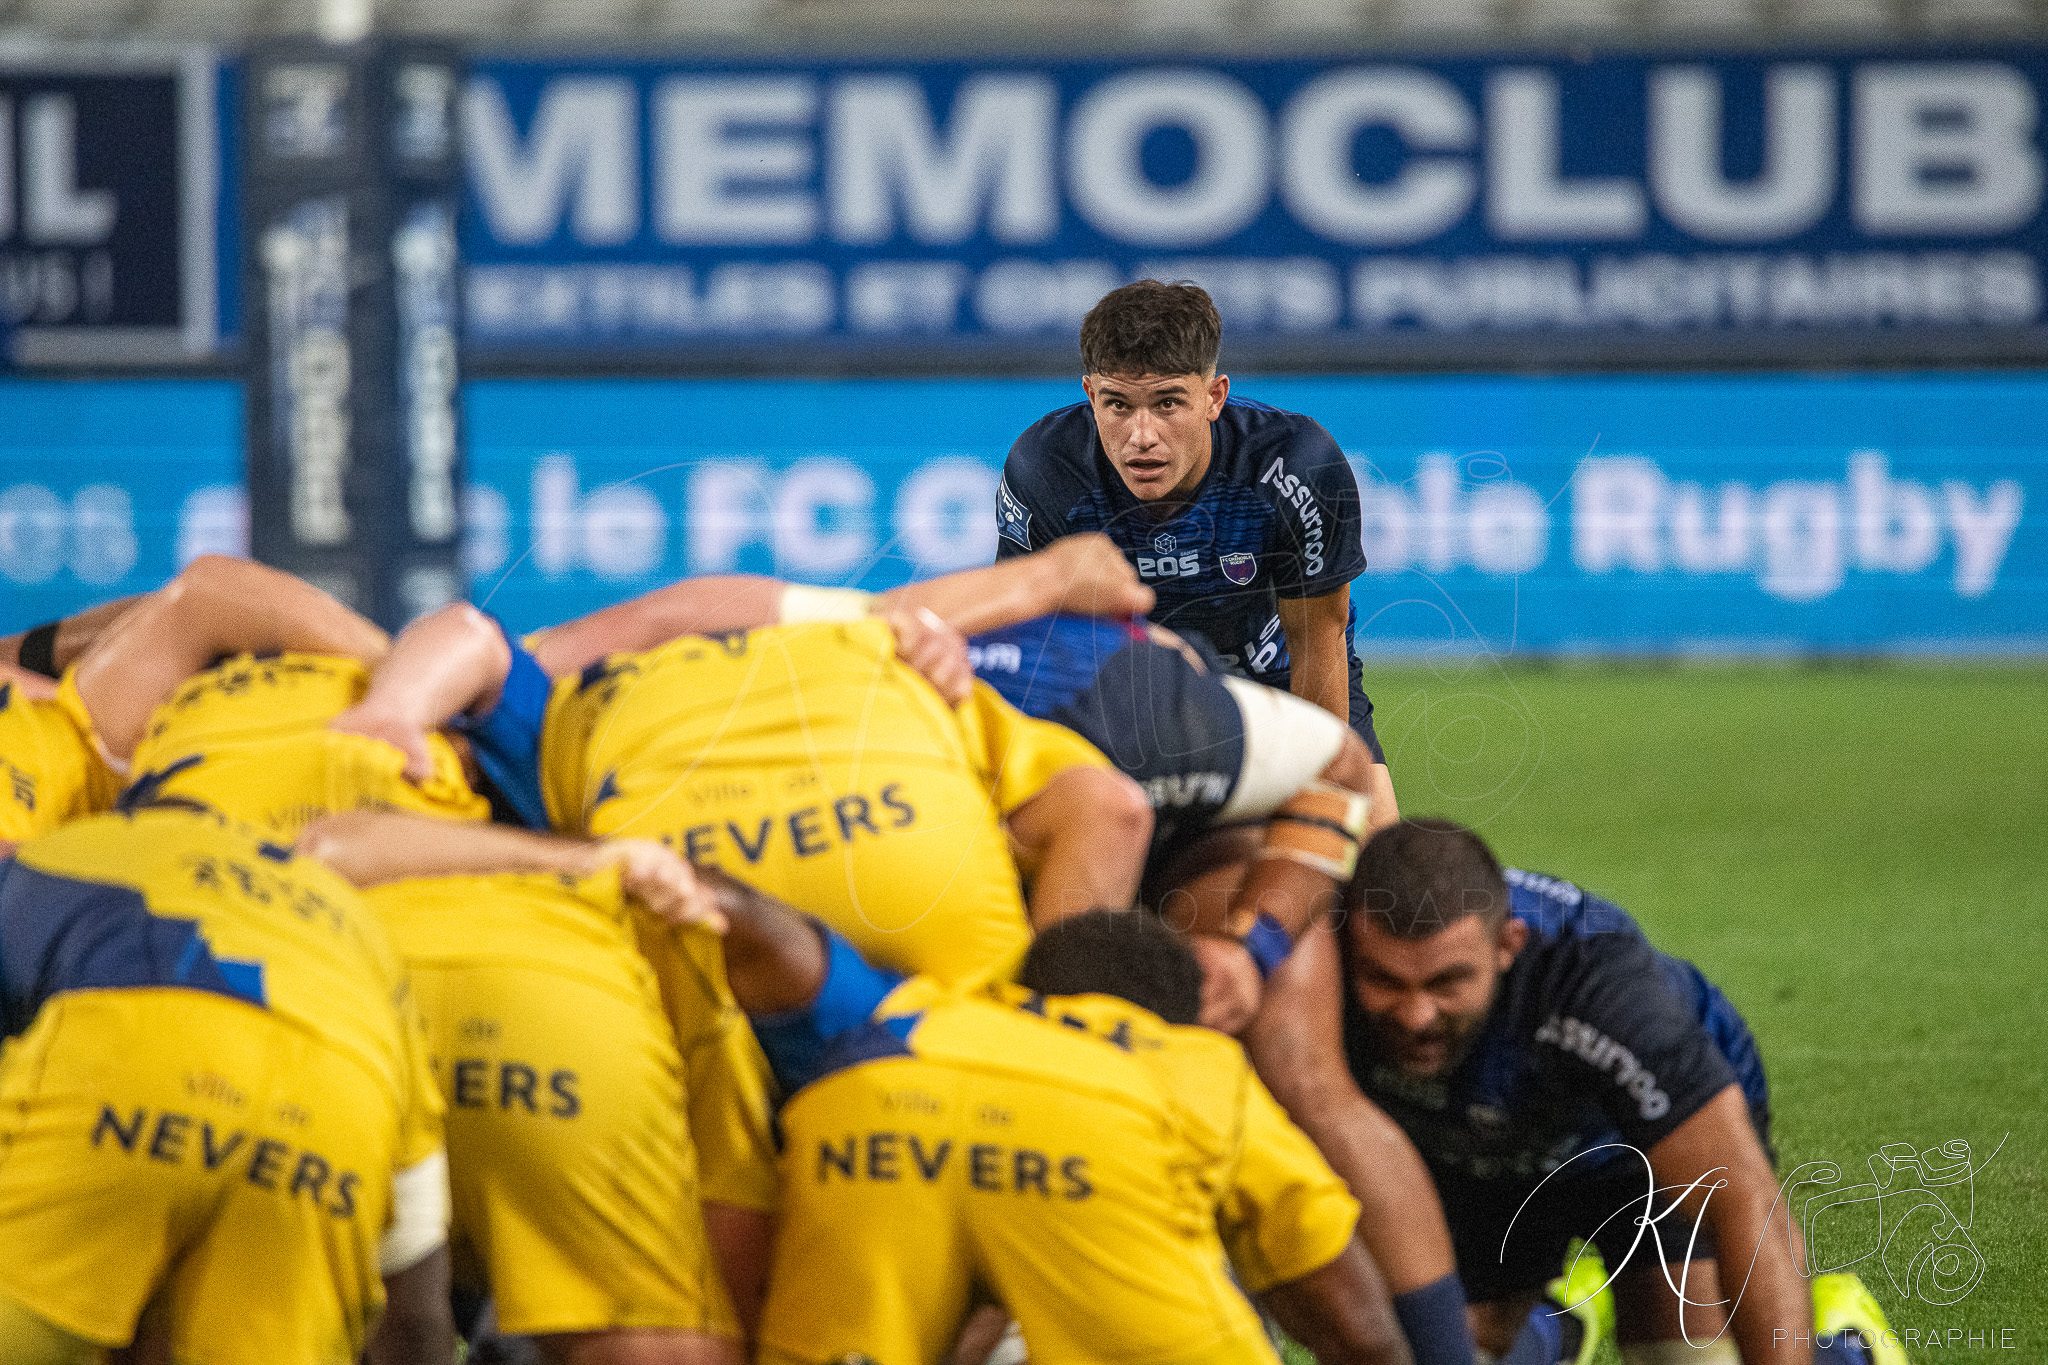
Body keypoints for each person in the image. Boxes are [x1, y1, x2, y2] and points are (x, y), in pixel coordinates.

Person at [697, 868, 1414, 1365]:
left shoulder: (924, 1008)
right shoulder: (1186, 1059)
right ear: (1171, 1015)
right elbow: (1350, 1314)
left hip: (863, 1098)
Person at [1337, 819, 1903, 1365]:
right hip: (1471, 1136)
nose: (1414, 1016)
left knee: (1687, 1357)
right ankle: (1561, 1323)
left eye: (1447, 983)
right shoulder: (1320, 970)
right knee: (1438, 1349)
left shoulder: (1598, 986)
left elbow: (1743, 1206)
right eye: (1384, 981)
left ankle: (1849, 1352)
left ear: (1508, 946)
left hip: (1628, 1137)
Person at [0, 799, 454, 1364]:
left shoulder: (60, 854)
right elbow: (415, 1242)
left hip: (126, 1064)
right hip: (332, 1110)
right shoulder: (360, 924)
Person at [298, 810, 749, 1364]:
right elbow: (737, 1210)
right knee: (660, 1332)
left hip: (338, 996)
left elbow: (329, 849)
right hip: (552, 1001)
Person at [993, 279, 1397, 827]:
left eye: (1167, 404)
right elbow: (1027, 642)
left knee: (1368, 870)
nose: (1142, 436)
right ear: (1090, 395)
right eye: (1117, 405)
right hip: (1127, 688)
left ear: (1214, 396)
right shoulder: (1046, 469)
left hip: (1279, 678)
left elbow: (1318, 637)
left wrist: (1316, 811)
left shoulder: (1295, 465)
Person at [1, 555, 393, 844]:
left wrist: (408, 688)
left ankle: (415, 684)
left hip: (79, 734)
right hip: (77, 825)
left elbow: (198, 598)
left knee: (204, 594)